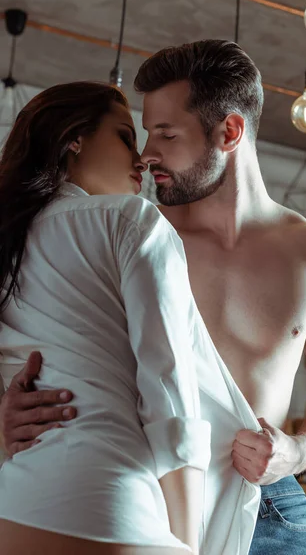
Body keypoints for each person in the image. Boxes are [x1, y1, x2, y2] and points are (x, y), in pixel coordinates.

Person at [1, 40, 306, 555]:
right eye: (143, 133)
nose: (146, 154)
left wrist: (298, 449)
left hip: (265, 504)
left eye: (165, 134)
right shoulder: (129, 233)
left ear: (230, 132)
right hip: (153, 492)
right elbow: (52, 337)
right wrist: (7, 412)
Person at [0, 80, 262, 555]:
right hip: (113, 502)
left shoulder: (10, 244)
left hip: (14, 508)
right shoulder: (132, 221)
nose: (142, 158)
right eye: (125, 136)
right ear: (72, 139)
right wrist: (187, 543)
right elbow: (170, 392)